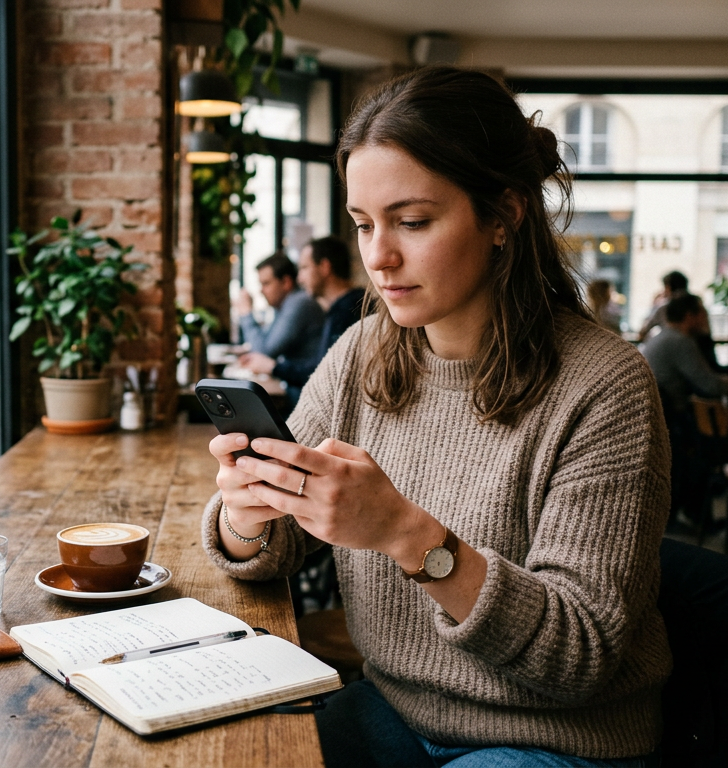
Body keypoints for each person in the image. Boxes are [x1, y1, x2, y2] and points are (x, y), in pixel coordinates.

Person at [203, 68, 670, 765]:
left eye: (412, 222)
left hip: (552, 741)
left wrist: (402, 531)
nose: (379, 257)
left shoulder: (606, 385)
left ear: (504, 215)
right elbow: (280, 545)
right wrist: (247, 516)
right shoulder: (364, 351)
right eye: (364, 225)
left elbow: (580, 654)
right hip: (395, 707)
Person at [640, 294, 728, 530]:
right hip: (672, 424)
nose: (706, 319)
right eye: (702, 314)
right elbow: (710, 385)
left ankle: (694, 513)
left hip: (660, 421)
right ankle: (700, 515)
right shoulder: (679, 341)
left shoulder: (661, 337)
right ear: (689, 317)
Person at [240, 237, 365, 410]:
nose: (299, 279)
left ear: (324, 267)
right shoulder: (341, 308)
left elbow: (325, 375)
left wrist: (274, 367)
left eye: (304, 268)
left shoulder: (348, 311)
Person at [232, 252, 325, 382]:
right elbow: (266, 343)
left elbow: (263, 352)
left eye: (266, 283)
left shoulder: (299, 303)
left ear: (286, 282)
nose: (261, 290)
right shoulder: (283, 305)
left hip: (307, 391)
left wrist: (246, 313)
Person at [638, 270, 688, 338]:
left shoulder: (664, 308)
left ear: (668, 287)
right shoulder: (698, 307)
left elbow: (643, 332)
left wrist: (654, 306)